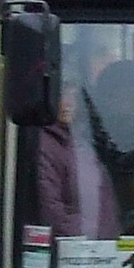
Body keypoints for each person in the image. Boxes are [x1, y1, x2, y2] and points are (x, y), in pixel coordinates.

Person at [36, 84, 120, 239]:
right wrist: (90, 236)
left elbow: (105, 199)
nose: (68, 102)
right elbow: (50, 208)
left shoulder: (82, 142)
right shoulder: (42, 143)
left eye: (73, 95)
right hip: (73, 248)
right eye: (61, 95)